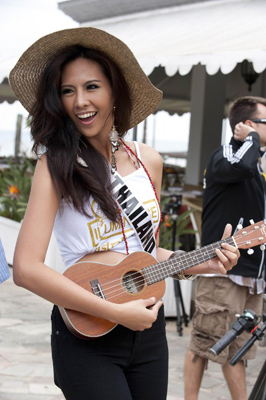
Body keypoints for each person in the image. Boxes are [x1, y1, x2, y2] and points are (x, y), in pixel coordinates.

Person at [9, 27, 239, 400]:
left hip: (145, 330)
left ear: (115, 90)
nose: (80, 101)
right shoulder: (55, 167)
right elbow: (26, 269)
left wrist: (207, 262)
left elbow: (147, 256)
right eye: (68, 91)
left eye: (92, 87)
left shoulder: (149, 161)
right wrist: (114, 313)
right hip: (86, 330)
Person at [184, 96, 266, 400]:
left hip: (251, 276)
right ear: (245, 125)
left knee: (239, 350)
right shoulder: (229, 155)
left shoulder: (256, 163)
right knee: (203, 344)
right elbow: (243, 166)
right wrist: (253, 138)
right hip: (222, 271)